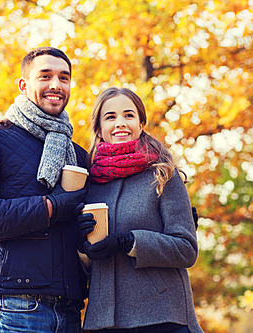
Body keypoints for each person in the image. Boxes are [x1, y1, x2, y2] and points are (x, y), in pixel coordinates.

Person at [0, 47, 89, 333]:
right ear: (24, 85)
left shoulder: (78, 154)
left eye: (64, 78)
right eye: (45, 76)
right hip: (13, 309)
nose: (56, 85)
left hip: (70, 310)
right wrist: (51, 207)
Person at [76, 87, 204, 333]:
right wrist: (81, 246)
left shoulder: (164, 174)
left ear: (141, 123)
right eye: (110, 117)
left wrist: (130, 242)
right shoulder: (88, 183)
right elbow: (85, 262)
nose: (120, 123)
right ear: (99, 128)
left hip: (162, 315)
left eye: (129, 115)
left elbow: (186, 249)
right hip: (103, 319)